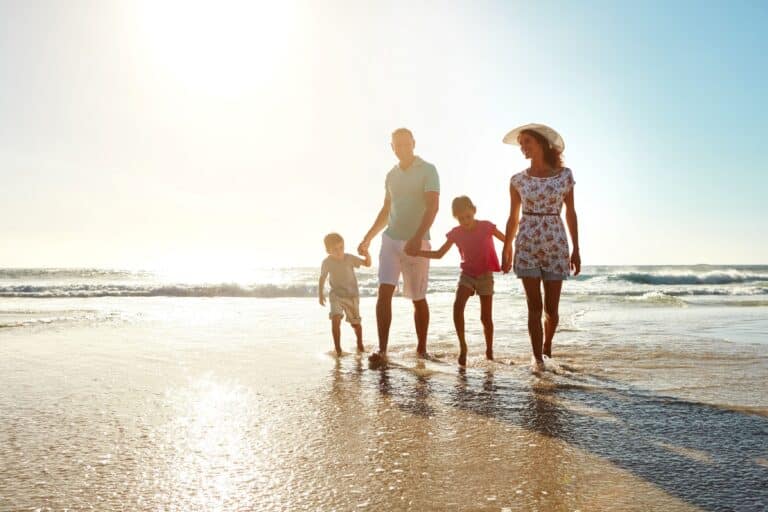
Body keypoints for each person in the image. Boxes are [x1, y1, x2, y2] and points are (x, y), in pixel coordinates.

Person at [500, 123, 580, 373]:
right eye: (521, 143)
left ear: (542, 144)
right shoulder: (517, 180)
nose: (523, 147)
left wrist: (576, 249)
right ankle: (537, 359)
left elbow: (571, 213)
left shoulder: (564, 175)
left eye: (527, 142)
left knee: (551, 310)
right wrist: (506, 247)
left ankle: (547, 345)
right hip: (526, 244)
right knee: (534, 307)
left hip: (556, 243)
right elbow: (513, 218)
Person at [358, 128, 440, 366]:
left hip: (418, 243)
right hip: (391, 240)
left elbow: (433, 207)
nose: (402, 148)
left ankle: (421, 350)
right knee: (384, 293)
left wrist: (416, 237)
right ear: (392, 147)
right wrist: (369, 237)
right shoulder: (391, 175)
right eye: (397, 145)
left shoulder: (428, 170)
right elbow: (386, 210)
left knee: (418, 298)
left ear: (414, 143)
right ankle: (382, 350)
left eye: (406, 143)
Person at [417, 196, 504, 366]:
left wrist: (508, 258)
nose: (465, 221)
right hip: (467, 274)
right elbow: (439, 254)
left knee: (486, 317)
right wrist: (418, 252)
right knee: (457, 307)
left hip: (486, 275)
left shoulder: (486, 226)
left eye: (468, 216)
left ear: (474, 211)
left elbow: (507, 239)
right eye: (461, 218)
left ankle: (489, 351)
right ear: (456, 217)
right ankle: (463, 346)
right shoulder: (456, 233)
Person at [319, 232, 371, 355]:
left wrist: (367, 254)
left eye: (341, 247)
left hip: (352, 295)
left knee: (356, 324)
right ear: (328, 251)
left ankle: (360, 344)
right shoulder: (327, 262)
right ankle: (338, 349)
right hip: (336, 295)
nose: (339, 251)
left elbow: (367, 264)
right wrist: (320, 294)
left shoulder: (349, 258)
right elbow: (322, 277)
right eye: (335, 249)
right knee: (335, 319)